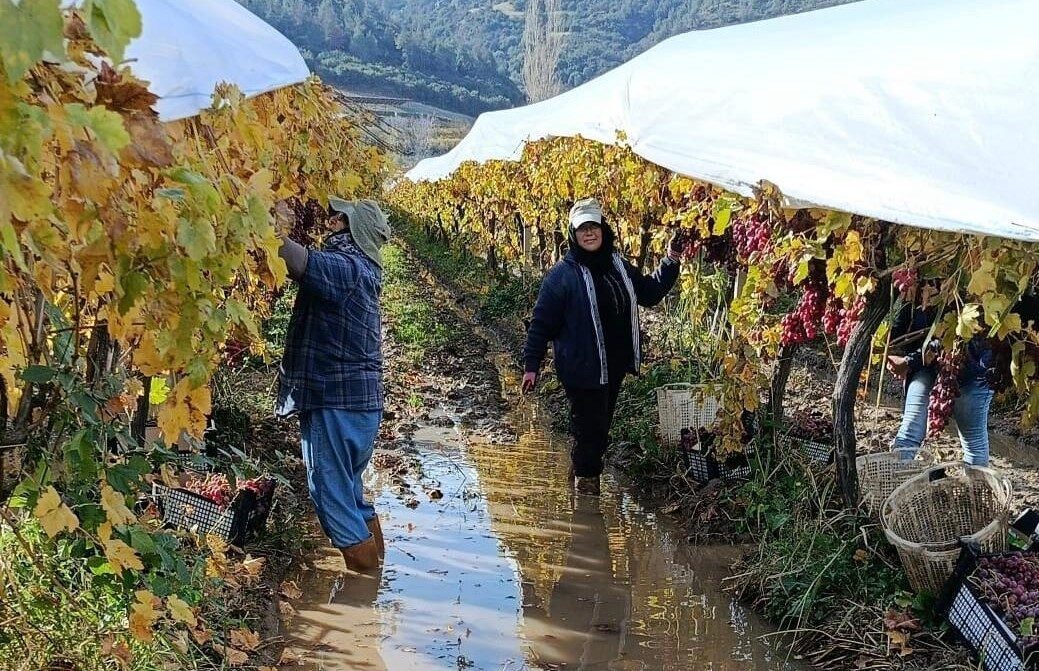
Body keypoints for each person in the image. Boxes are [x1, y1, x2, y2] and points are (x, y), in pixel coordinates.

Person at [522, 197, 683, 495]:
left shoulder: (618, 266)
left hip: (614, 365)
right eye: (582, 229)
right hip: (581, 368)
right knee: (591, 431)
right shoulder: (562, 276)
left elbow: (649, 293)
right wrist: (531, 366)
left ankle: (579, 475)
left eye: (593, 226)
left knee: (598, 428)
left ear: (603, 228)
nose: (589, 233)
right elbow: (541, 323)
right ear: (573, 234)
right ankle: (586, 499)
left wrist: (671, 259)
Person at [276, 198, 392, 571]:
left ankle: (365, 591)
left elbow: (293, 258)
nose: (330, 220)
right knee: (351, 492)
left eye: (338, 216)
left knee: (332, 497)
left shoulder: (346, 268)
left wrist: (261, 216)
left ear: (349, 227)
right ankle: (380, 568)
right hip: (360, 403)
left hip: (335, 400)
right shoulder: (366, 270)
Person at [886, 292, 994, 466]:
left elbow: (944, 341)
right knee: (972, 444)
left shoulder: (963, 287)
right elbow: (904, 321)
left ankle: (891, 487)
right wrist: (891, 352)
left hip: (972, 373)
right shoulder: (923, 281)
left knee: (911, 435)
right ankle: (893, 487)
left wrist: (908, 361)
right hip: (934, 369)